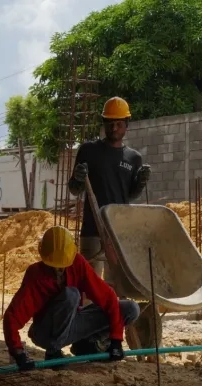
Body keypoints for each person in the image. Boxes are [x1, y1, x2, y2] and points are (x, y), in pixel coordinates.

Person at [3, 226, 141, 369]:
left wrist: (116, 340)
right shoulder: (36, 274)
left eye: (62, 265)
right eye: (54, 266)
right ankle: (53, 350)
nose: (59, 270)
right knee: (71, 295)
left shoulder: (77, 263)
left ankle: (87, 344)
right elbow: (12, 317)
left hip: (71, 324)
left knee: (131, 309)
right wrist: (18, 352)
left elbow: (108, 297)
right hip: (45, 333)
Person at [67, 97, 151, 283]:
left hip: (118, 232)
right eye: (110, 124)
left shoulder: (133, 158)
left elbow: (129, 195)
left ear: (127, 125)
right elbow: (74, 189)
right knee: (88, 287)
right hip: (92, 231)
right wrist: (79, 178)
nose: (114, 129)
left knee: (118, 287)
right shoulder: (88, 151)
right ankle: (88, 313)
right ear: (104, 123)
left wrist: (140, 183)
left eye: (119, 124)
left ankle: (116, 313)